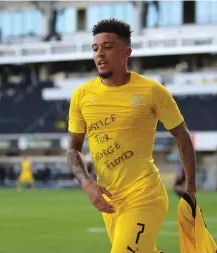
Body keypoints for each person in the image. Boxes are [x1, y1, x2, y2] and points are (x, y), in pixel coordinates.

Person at [67, 19, 197, 253]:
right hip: (110, 202)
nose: (100, 54)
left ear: (126, 52)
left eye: (108, 47)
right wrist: (87, 184)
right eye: (95, 49)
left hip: (145, 194)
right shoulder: (81, 95)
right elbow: (73, 148)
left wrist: (191, 189)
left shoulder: (152, 91)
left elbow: (182, 136)